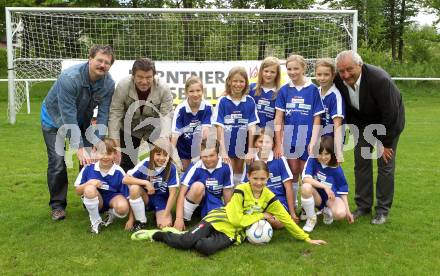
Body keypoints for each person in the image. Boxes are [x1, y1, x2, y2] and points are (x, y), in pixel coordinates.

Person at [131, 160, 326, 256]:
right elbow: (234, 218)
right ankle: (158, 234)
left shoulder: (269, 196)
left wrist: (306, 238)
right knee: (185, 243)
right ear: (248, 177)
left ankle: (191, 236)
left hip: (235, 233)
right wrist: (261, 217)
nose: (259, 183)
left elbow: (285, 219)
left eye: (263, 179)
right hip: (218, 219)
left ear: (267, 179)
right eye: (255, 178)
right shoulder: (241, 190)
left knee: (203, 248)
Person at [41, 45, 115, 220]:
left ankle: (88, 198)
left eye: (107, 62)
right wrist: (78, 147)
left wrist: (98, 142)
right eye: (99, 60)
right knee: (58, 162)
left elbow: (104, 114)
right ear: (90, 59)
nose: (103, 65)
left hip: (81, 120)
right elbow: (67, 116)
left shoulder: (109, 83)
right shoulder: (69, 78)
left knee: (90, 159)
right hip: (53, 120)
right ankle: (57, 206)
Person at [334, 50, 405, 224]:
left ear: (360, 64)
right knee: (361, 163)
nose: (345, 74)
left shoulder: (379, 79)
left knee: (385, 164)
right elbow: (347, 110)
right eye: (341, 71)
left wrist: (385, 143)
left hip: (388, 124)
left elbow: (391, 114)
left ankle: (382, 210)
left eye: (349, 69)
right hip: (362, 124)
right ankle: (363, 206)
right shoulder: (338, 80)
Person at [274, 54, 324, 208]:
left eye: (296, 68)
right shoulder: (284, 90)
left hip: (307, 139)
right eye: (289, 69)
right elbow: (278, 118)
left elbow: (317, 118)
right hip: (290, 139)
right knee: (292, 171)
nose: (292, 72)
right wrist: (278, 143)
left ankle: (308, 206)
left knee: (306, 174)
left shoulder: (313, 90)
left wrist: (313, 141)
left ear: (304, 68)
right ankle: (293, 204)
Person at [108, 58, 173, 172]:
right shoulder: (123, 85)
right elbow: (115, 113)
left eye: (148, 77)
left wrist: (163, 138)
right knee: (126, 163)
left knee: (160, 160)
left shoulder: (163, 88)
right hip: (129, 128)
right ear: (133, 75)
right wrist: (115, 142)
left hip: (154, 128)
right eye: (140, 77)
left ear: (154, 76)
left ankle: (159, 187)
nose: (144, 81)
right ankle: (128, 188)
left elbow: (166, 115)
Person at [212, 66, 259, 185]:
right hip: (227, 146)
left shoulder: (249, 101)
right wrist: (222, 150)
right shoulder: (223, 101)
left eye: (241, 81)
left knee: (239, 174)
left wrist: (250, 150)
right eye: (235, 81)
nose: (238, 84)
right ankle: (229, 200)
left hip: (242, 146)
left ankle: (237, 198)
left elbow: (252, 127)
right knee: (228, 174)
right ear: (229, 81)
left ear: (246, 83)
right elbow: (219, 126)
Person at [174, 139, 234, 231]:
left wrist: (230, 214)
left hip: (214, 199)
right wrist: (179, 218)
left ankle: (204, 213)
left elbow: (227, 192)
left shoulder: (225, 166)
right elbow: (181, 192)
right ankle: (186, 218)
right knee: (198, 186)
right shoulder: (195, 166)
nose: (208, 159)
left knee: (216, 221)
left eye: (211, 155)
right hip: (195, 197)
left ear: (218, 154)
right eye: (204, 156)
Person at [241, 133, 299, 228]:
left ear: (273, 144)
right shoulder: (251, 160)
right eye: (260, 141)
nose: (264, 145)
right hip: (257, 201)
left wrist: (292, 213)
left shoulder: (280, 159)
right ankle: (261, 218)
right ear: (255, 143)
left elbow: (288, 188)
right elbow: (244, 186)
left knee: (277, 223)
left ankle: (263, 219)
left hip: (278, 200)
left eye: (267, 142)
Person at [74, 138, 130, 234]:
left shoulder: (118, 171)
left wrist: (131, 219)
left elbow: (128, 195)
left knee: (123, 208)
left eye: (109, 153)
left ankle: (111, 214)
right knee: (89, 189)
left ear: (114, 154)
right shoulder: (88, 168)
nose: (105, 157)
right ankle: (96, 222)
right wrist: (89, 183)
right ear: (95, 153)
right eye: (102, 153)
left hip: (112, 198)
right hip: (95, 198)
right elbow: (78, 191)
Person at [300, 136, 354, 232]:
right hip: (317, 196)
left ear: (332, 153)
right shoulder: (312, 159)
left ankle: (326, 210)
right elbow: (306, 178)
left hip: (331, 198)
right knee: (305, 187)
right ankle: (311, 218)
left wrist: (348, 211)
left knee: (341, 213)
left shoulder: (336, 167)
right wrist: (325, 187)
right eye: (320, 154)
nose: (323, 157)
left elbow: (343, 190)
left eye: (326, 154)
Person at [123, 140, 179, 232]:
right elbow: (125, 179)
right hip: (146, 198)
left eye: (165, 155)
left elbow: (173, 195)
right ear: (152, 154)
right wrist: (146, 183)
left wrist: (165, 216)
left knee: (165, 226)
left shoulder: (171, 168)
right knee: (134, 188)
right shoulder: (145, 164)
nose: (162, 158)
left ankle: (158, 213)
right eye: (158, 154)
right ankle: (141, 221)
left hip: (161, 201)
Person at [171, 76, 213, 171]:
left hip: (200, 144)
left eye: (198, 90)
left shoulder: (208, 107)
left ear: (203, 91)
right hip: (184, 145)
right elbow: (175, 135)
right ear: (186, 92)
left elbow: (206, 130)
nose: (195, 94)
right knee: (186, 172)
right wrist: (170, 154)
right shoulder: (180, 109)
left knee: (202, 170)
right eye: (191, 91)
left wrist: (199, 153)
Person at [315, 58, 345, 163]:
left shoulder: (335, 96)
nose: (322, 78)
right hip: (317, 141)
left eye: (326, 75)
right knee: (316, 174)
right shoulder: (315, 92)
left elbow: (338, 126)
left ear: (333, 75)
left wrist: (338, 152)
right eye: (319, 74)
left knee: (330, 175)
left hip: (331, 143)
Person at [249, 56, 281, 132]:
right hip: (251, 133)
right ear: (261, 71)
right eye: (266, 71)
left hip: (269, 135)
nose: (268, 74)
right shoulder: (251, 88)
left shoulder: (280, 92)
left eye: (272, 72)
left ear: (277, 74)